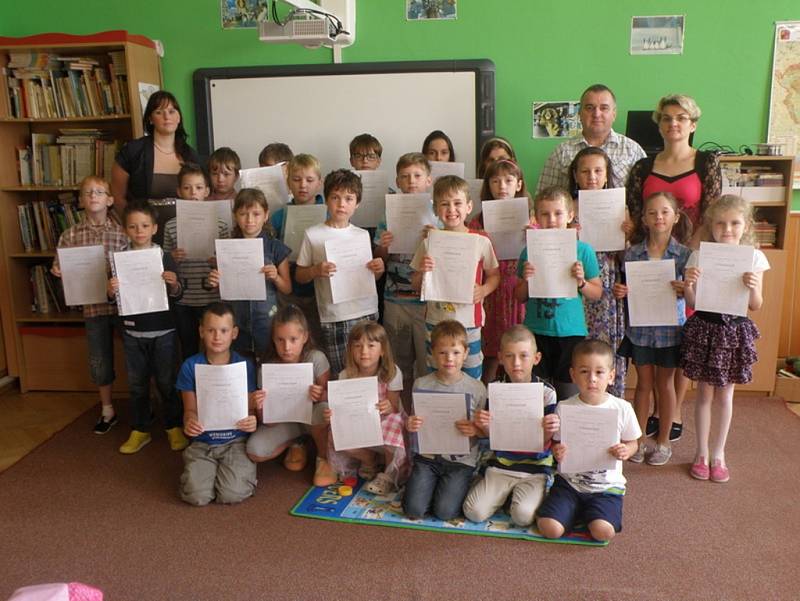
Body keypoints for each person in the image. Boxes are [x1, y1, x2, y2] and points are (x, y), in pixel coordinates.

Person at [626, 94, 722, 441]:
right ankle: (654, 411)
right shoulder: (643, 166)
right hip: (651, 260)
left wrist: (687, 257)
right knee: (656, 332)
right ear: (659, 123)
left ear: (692, 124)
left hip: (690, 259)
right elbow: (636, 212)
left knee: (684, 334)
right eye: (666, 118)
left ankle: (674, 409)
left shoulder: (706, 162)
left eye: (681, 118)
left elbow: (711, 214)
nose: (673, 124)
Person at [681, 195, 768, 483]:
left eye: (734, 223)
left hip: (733, 332)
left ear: (746, 226)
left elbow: (756, 304)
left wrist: (753, 287)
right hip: (707, 327)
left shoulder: (754, 257)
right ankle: (701, 452)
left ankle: (719, 453)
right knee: (704, 394)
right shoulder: (700, 255)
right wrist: (689, 285)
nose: (727, 229)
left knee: (726, 395)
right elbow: (693, 301)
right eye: (720, 223)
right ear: (711, 226)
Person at [614, 192, 692, 465]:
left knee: (665, 384)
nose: (659, 217)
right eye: (652, 213)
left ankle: (662, 442)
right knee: (643, 385)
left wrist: (686, 289)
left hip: (671, 331)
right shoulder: (632, 253)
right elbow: (625, 288)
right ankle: (640, 440)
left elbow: (692, 293)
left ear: (675, 217)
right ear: (644, 219)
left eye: (665, 212)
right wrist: (621, 291)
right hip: (642, 330)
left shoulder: (684, 255)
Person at [536, 340, 641, 542]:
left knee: (603, 532)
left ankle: (585, 514)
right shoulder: (564, 407)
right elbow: (557, 443)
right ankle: (574, 512)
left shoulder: (622, 408)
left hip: (606, 488)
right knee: (549, 528)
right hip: (569, 484)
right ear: (573, 375)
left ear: (611, 376)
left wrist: (626, 451)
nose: (592, 379)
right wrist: (557, 451)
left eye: (599, 373)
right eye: (584, 372)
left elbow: (633, 442)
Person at [109, 201, 187, 454]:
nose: (139, 231)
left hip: (163, 330)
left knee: (166, 382)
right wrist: (111, 290)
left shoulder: (163, 256)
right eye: (132, 226)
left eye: (144, 226)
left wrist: (173, 283)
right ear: (125, 230)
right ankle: (140, 429)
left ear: (154, 228)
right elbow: (113, 297)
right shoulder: (120, 258)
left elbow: (178, 292)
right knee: (137, 384)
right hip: (132, 332)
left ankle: (173, 426)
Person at [51, 176, 128, 434]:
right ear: (81, 201)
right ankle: (107, 410)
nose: (93, 196)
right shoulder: (69, 236)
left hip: (123, 307)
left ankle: (141, 404)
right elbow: (61, 266)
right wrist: (58, 270)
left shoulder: (122, 233)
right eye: (88, 192)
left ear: (110, 199)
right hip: (93, 308)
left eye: (99, 191)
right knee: (99, 360)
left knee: (134, 355)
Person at [462, 326, 558, 526]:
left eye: (524, 356)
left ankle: (524, 494)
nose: (516, 363)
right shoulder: (495, 388)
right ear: (500, 358)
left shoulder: (547, 392)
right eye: (509, 356)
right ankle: (502, 494)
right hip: (501, 465)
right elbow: (492, 436)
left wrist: (550, 430)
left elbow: (546, 441)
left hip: (534, 468)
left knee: (522, 517)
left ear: (536, 358)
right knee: (473, 512)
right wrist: (484, 425)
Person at [514, 186, 602, 400]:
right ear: (536, 217)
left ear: (570, 215)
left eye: (558, 213)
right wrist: (526, 280)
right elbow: (519, 296)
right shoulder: (528, 251)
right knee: (537, 394)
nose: (551, 219)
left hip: (570, 332)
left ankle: (564, 434)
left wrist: (581, 282)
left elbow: (597, 293)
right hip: (536, 331)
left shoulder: (583, 250)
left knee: (568, 393)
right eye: (544, 214)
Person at [295, 169, 385, 376]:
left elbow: (371, 277)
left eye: (348, 198)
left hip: (366, 311)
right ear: (326, 200)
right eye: (335, 197)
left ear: (357, 203)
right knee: (342, 373)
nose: (341, 204)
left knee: (370, 371)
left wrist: (378, 269)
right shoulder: (313, 234)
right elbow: (299, 275)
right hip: (334, 315)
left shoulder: (361, 235)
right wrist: (316, 270)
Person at [411, 175, 500, 380]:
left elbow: (495, 275)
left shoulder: (480, 240)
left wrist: (484, 290)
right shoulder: (429, 241)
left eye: (457, 203)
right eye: (444, 204)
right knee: (437, 375)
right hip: (436, 321)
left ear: (469, 207)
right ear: (436, 210)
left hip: (469, 322)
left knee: (471, 374)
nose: (451, 209)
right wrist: (423, 272)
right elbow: (415, 283)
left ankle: (471, 412)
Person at [403, 320, 487, 520]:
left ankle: (466, 482)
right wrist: (410, 425)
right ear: (432, 354)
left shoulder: (477, 388)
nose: (449, 358)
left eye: (456, 353)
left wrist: (475, 430)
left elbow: (484, 434)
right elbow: (414, 426)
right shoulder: (421, 384)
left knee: (445, 512)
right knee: (413, 510)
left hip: (461, 461)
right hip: (428, 458)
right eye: (442, 353)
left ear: (466, 353)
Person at [178, 302, 259, 506]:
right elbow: (189, 410)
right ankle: (202, 472)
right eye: (211, 330)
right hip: (202, 442)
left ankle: (229, 474)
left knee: (231, 494)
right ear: (201, 332)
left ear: (234, 333)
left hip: (236, 441)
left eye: (223, 330)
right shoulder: (190, 366)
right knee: (197, 496)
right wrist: (190, 421)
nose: (217, 336)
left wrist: (252, 419)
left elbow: (249, 407)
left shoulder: (244, 366)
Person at [246, 305, 335, 487]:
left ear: (305, 337)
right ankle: (298, 442)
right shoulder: (267, 368)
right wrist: (260, 406)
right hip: (285, 422)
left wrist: (320, 394)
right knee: (255, 450)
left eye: (293, 339)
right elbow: (267, 421)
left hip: (312, 418)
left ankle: (323, 458)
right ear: (273, 339)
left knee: (324, 409)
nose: (287, 347)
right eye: (280, 340)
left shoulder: (316, 358)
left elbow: (331, 400)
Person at [568, 147, 632, 396]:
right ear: (576, 175)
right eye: (585, 171)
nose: (591, 176)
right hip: (575, 281)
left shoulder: (620, 207)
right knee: (579, 346)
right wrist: (567, 233)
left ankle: (609, 403)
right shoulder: (568, 207)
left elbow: (628, 257)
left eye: (597, 171)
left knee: (606, 348)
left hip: (607, 282)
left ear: (607, 175)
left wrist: (627, 236)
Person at [325, 321, 409, 495]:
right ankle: (369, 459)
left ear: (382, 350)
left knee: (393, 425)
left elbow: (394, 407)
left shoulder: (392, 372)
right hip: (358, 419)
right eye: (358, 346)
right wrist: (333, 413)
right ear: (351, 350)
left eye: (371, 346)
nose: (364, 352)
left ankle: (387, 474)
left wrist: (387, 406)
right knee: (336, 431)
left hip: (385, 419)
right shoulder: (345, 375)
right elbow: (341, 407)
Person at [208, 188, 291, 359]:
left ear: (266, 215)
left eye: (256, 214)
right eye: (243, 214)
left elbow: (287, 288)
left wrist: (275, 277)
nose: (249, 220)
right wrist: (214, 282)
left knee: (268, 358)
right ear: (235, 216)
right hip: (235, 316)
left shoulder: (275, 247)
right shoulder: (226, 248)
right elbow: (221, 289)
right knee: (238, 360)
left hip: (266, 316)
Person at [468, 159, 530, 383]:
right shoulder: (477, 221)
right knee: (491, 351)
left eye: (508, 180)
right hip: (490, 293)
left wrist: (533, 233)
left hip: (518, 291)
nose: (502, 186)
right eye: (495, 181)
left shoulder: (530, 218)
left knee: (519, 349)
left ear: (519, 184)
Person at [374, 153, 433, 385]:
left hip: (425, 303)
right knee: (398, 366)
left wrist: (435, 239)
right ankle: (403, 413)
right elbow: (379, 259)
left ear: (429, 180)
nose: (411, 182)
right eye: (405, 177)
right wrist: (384, 246)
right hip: (395, 301)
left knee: (427, 366)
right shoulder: (388, 214)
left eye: (417, 176)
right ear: (397, 182)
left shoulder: (437, 213)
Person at [162, 163, 230, 360]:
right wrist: (172, 258)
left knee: (215, 347)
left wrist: (217, 261)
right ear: (179, 191)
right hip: (184, 299)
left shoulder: (221, 225)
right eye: (187, 187)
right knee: (188, 346)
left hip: (212, 298)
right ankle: (190, 388)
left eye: (199, 188)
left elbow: (228, 264)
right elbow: (165, 266)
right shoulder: (170, 226)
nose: (193, 193)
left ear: (207, 191)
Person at [535, 84, 646, 194]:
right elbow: (543, 197)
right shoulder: (561, 153)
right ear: (579, 113)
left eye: (604, 108)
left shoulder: (633, 151)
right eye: (589, 108)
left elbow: (647, 199)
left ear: (614, 114)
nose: (596, 114)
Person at [270, 153, 326, 344]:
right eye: (296, 179)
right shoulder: (278, 216)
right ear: (288, 183)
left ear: (319, 182)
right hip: (289, 289)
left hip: (320, 288)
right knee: (291, 336)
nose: (303, 185)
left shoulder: (328, 212)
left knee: (317, 338)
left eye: (310, 180)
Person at [112, 90, 200, 210]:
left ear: (178, 118)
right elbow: (118, 197)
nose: (167, 117)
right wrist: (132, 225)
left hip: (183, 227)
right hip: (142, 227)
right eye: (159, 112)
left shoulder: (191, 155)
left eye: (172, 111)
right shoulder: (132, 151)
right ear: (150, 119)